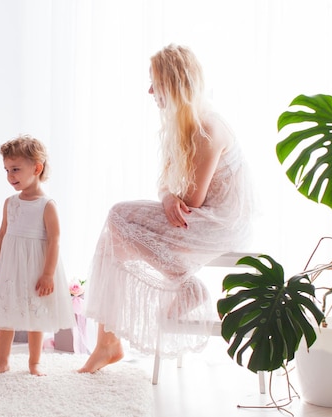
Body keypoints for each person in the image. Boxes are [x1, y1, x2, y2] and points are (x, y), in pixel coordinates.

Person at [78, 44, 253, 373]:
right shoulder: (183, 123)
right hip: (195, 215)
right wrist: (166, 196)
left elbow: (193, 200)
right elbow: (165, 184)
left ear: (174, 84)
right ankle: (107, 343)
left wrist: (170, 196)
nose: (149, 90)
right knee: (112, 238)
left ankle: (184, 286)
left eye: (154, 82)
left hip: (218, 223)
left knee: (117, 215)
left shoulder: (208, 128)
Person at [0, 135, 75, 377]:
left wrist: (47, 274)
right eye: (7, 170)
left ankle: (35, 363)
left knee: (36, 315)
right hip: (11, 267)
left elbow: (54, 240)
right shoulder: (10, 203)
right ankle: (3, 361)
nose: (10, 176)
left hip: (36, 267)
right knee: (6, 313)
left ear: (37, 168)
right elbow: (1, 234)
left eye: (15, 169)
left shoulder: (47, 204)